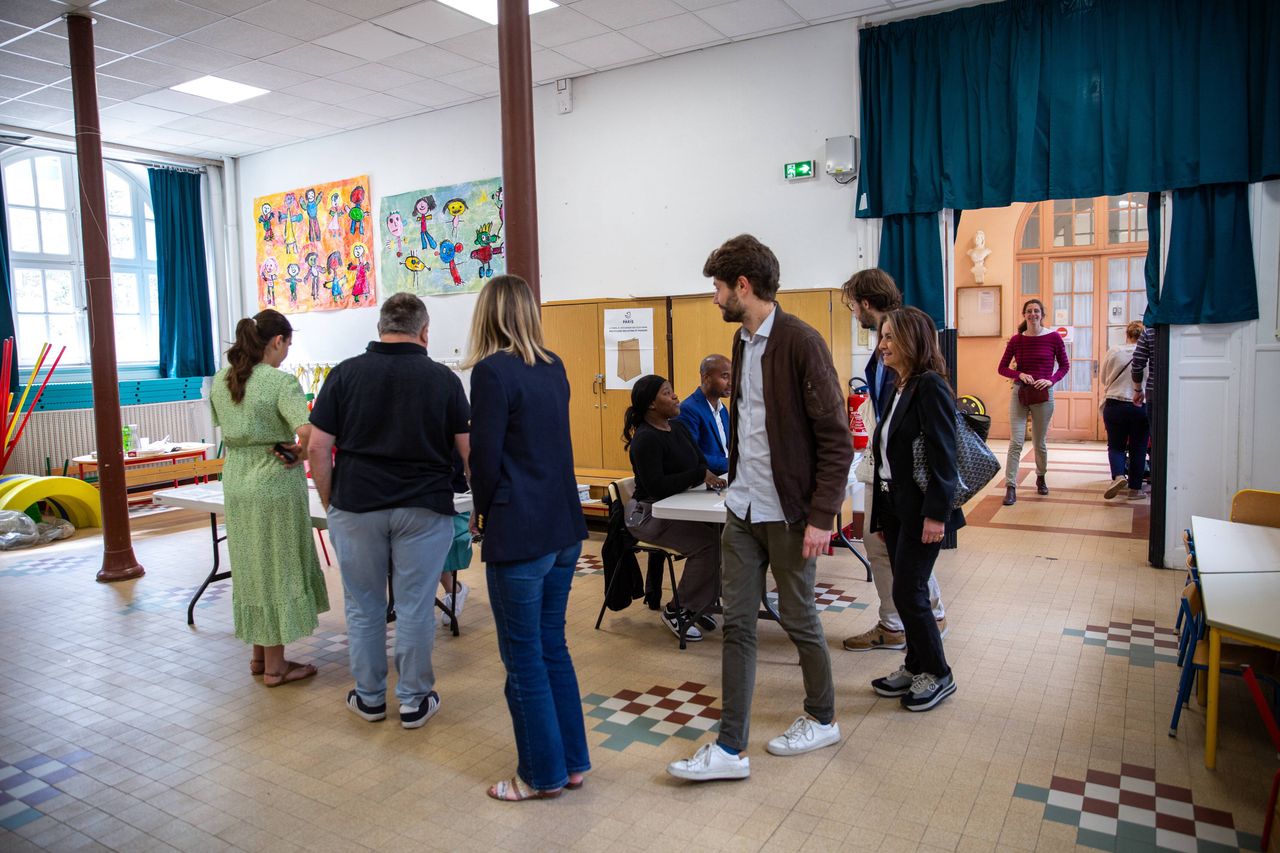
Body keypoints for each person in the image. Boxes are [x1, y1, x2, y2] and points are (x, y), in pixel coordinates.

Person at [667, 234, 852, 783]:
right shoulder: (745, 344)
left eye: (718, 288)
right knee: (739, 625)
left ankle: (823, 717)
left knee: (798, 617)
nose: (714, 298)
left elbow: (836, 439)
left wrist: (822, 517)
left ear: (742, 287)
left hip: (791, 515)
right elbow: (751, 427)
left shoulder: (801, 342)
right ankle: (729, 750)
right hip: (743, 509)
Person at [307, 293, 470, 730]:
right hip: (425, 506)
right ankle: (415, 701)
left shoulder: (345, 374)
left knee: (364, 607)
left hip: (357, 504)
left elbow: (318, 447)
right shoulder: (443, 380)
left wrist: (331, 502)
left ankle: (370, 698)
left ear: (380, 328)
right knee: (416, 606)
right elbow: (469, 451)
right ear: (424, 331)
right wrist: (481, 506)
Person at [465, 274, 590, 802]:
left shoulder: (492, 373)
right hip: (563, 526)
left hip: (520, 533)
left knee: (523, 659)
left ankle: (540, 775)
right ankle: (573, 761)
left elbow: (486, 461)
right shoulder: (554, 366)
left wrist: (481, 512)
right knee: (551, 647)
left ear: (487, 315)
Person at [208, 310, 329, 687]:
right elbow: (308, 433)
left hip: (237, 478)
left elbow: (224, 425)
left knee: (250, 565)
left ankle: (259, 656)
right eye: (287, 345)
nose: (287, 353)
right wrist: (298, 452)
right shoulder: (279, 382)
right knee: (277, 566)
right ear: (277, 341)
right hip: (273, 482)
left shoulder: (219, 380)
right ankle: (277, 668)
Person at [839, 269, 948, 652]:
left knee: (886, 548)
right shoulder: (897, 343)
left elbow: (936, 444)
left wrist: (935, 509)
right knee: (893, 549)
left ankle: (899, 623)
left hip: (901, 474)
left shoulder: (907, 357)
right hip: (890, 468)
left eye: (853, 305)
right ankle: (922, 617)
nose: (854, 314)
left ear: (865, 303)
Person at [868, 306, 965, 712]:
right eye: (882, 336)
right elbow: (886, 454)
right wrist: (878, 517)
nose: (883, 344)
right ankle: (913, 664)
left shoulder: (930, 386)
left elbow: (945, 456)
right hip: (894, 503)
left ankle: (939, 673)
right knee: (902, 588)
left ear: (912, 340)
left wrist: (936, 515)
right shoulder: (898, 385)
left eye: (890, 337)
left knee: (910, 591)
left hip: (923, 508)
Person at [623, 375, 726, 643]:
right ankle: (676, 610)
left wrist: (705, 475)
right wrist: (698, 475)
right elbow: (657, 487)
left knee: (725, 537)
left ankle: (696, 604)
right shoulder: (645, 440)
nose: (676, 396)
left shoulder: (677, 428)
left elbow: (700, 464)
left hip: (677, 506)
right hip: (648, 514)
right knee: (708, 546)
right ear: (651, 405)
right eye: (667, 393)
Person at [997, 298, 1069, 505]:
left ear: (1042, 315)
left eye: (1036, 311)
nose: (1033, 314)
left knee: (1039, 442)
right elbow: (1002, 368)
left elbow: (1064, 366)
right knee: (1016, 442)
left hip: (1044, 395)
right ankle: (1010, 486)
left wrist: (1051, 380)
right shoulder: (1016, 340)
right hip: (1020, 393)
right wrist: (1019, 374)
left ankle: (1041, 477)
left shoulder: (1054, 338)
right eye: (1029, 311)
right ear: (1024, 315)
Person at [1101, 321, 1149, 501]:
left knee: (1115, 445)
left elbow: (1105, 379)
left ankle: (1119, 476)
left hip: (1115, 403)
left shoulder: (1114, 350)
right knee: (1139, 448)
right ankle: (1135, 490)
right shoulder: (1148, 353)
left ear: (1126, 335)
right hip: (1140, 405)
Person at [673, 355, 732, 476]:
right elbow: (691, 455)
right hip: (706, 480)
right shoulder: (689, 409)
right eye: (725, 376)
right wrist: (734, 464)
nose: (731, 382)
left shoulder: (722, 409)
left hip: (726, 475)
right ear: (706, 378)